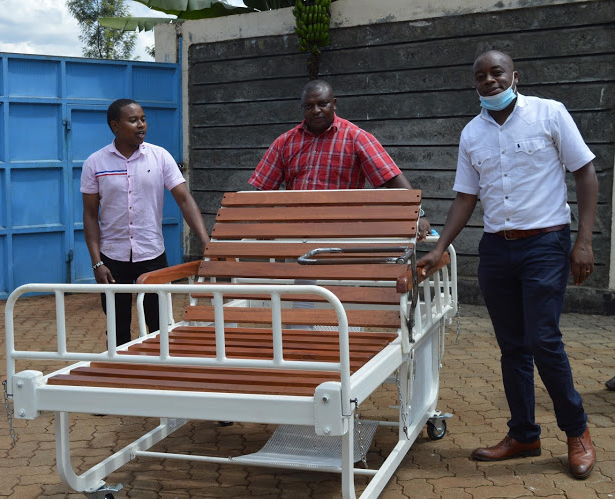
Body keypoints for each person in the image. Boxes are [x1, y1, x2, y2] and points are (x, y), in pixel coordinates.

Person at [417, 50, 598, 479]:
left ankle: (577, 432)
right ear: (474, 83)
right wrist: (440, 246)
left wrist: (586, 241)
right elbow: (465, 197)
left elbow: (585, 172)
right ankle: (523, 435)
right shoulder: (471, 134)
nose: (489, 81)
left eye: (497, 72)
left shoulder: (549, 114)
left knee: (543, 340)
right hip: (497, 249)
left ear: (514, 75)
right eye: (480, 76)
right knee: (512, 347)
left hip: (546, 243)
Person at [81, 98, 210, 347]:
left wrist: (207, 243)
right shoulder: (95, 163)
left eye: (143, 119)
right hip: (113, 260)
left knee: (159, 326)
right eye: (133, 120)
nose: (141, 125)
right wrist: (97, 262)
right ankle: (119, 379)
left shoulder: (160, 157)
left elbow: (184, 199)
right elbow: (89, 215)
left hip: (152, 257)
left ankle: (158, 378)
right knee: (117, 330)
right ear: (115, 125)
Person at [249, 79, 430, 239]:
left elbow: (392, 179)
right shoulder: (285, 142)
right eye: (309, 106)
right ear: (302, 108)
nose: (316, 110)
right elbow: (263, 190)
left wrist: (418, 214)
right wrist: (265, 222)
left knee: (337, 277)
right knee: (301, 277)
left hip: (342, 234)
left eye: (322, 103)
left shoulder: (356, 137)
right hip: (297, 235)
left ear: (334, 104)